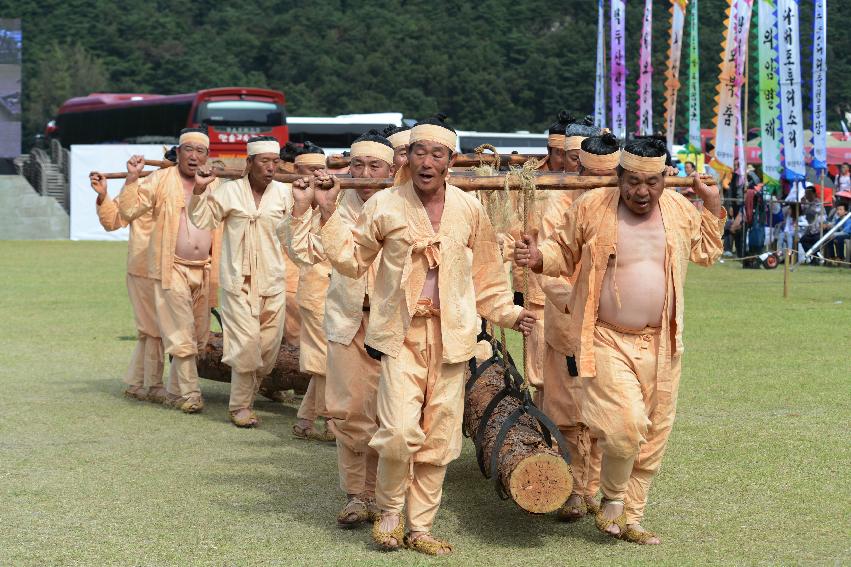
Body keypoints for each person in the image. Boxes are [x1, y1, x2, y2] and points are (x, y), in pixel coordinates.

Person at [312, 115, 536, 555]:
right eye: (419, 152)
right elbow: (352, 260)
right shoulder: (384, 206)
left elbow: (487, 274)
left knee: (439, 435)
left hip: (452, 336)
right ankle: (390, 511)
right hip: (399, 334)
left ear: (451, 161)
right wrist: (325, 211)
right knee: (397, 429)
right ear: (407, 158)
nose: (427, 161)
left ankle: (421, 527)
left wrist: (508, 313)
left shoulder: (469, 209)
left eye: (437, 154)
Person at [514, 137, 725, 545]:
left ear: (665, 178)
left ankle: (630, 516)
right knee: (626, 425)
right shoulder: (592, 207)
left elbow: (707, 252)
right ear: (619, 176)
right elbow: (562, 252)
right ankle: (611, 499)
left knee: (654, 432)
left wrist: (712, 204)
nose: (641, 192)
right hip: (607, 338)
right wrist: (538, 258)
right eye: (632, 182)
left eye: (651, 182)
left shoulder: (680, 210)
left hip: (663, 342)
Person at [282, 129, 397, 528]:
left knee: (393, 414)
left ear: (391, 167)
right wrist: (302, 208)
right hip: (347, 321)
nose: (365, 173)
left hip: (397, 327)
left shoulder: (402, 203)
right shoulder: (333, 201)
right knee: (349, 413)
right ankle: (357, 495)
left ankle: (390, 498)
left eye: (375, 165)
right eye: (358, 164)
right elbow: (302, 252)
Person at [540, 132, 619, 522]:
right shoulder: (558, 204)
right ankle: (573, 489)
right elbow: (549, 266)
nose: (597, 184)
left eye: (607, 177)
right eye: (588, 173)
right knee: (565, 413)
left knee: (604, 413)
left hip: (611, 331)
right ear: (577, 167)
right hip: (568, 326)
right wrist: (579, 301)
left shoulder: (628, 208)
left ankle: (596, 489)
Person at [188, 136, 293, 428]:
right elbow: (202, 219)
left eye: (275, 161)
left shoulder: (285, 194)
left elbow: (296, 231)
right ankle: (240, 407)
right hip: (238, 283)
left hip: (273, 281)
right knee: (246, 347)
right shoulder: (229, 192)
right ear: (249, 163)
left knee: (268, 351)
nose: (271, 167)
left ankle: (252, 389)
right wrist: (199, 189)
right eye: (264, 161)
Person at [118, 128, 222, 414]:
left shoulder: (215, 185)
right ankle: (190, 394)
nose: (193, 156)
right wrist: (131, 177)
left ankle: (175, 392)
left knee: (199, 337)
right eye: (188, 149)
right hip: (171, 267)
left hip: (205, 270)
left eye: (200, 151)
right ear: (178, 152)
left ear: (207, 156)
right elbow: (127, 211)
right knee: (181, 333)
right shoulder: (160, 180)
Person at [89, 170, 164, 402]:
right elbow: (113, 221)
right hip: (143, 268)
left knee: (163, 330)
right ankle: (153, 384)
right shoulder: (141, 186)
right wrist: (103, 196)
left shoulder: (194, 187)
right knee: (153, 329)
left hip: (182, 269)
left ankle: (139, 383)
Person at [288, 142, 336, 441]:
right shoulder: (296, 202)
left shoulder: (337, 199)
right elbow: (293, 247)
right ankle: (331, 422)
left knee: (326, 361)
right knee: (328, 361)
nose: (317, 174)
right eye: (310, 169)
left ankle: (305, 420)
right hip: (315, 292)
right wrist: (302, 206)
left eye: (321, 168)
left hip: (340, 294)